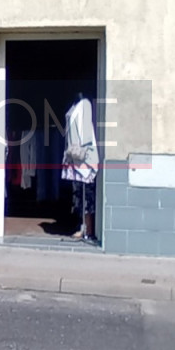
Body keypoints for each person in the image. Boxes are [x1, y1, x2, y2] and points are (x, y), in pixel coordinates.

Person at [61, 92, 99, 242]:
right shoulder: (74, 106)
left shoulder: (85, 105)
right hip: (75, 157)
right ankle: (82, 226)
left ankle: (88, 229)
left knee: (87, 195)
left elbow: (86, 132)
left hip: (84, 158)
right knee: (79, 195)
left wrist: (82, 150)